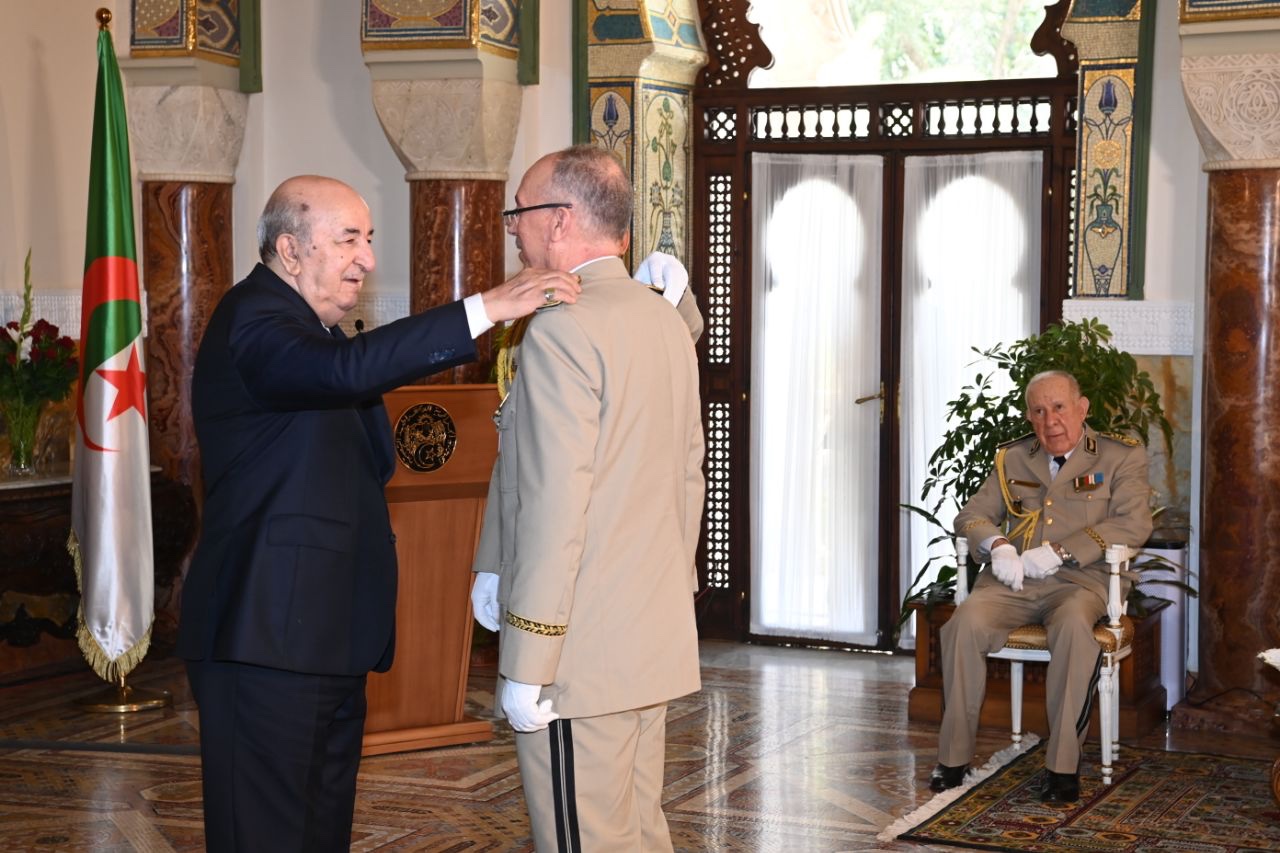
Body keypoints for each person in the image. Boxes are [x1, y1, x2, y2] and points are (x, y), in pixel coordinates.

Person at [177, 174, 582, 852]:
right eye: (348, 239)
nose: (367, 257)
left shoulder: (318, 331)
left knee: (318, 832)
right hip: (264, 641)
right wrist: (481, 310)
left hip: (322, 639)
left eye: (369, 239)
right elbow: (344, 376)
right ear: (291, 249)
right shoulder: (253, 318)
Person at [469, 144, 705, 852]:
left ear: (561, 220)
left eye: (520, 212)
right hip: (647, 635)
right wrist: (491, 560)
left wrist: (530, 658)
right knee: (636, 831)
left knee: (584, 840)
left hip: (580, 650)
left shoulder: (563, 329)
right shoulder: (663, 318)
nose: (513, 228)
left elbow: (555, 504)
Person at [930, 370, 1153, 804]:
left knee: (1073, 630)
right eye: (1038, 410)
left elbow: (1133, 523)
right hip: (1013, 582)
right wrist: (997, 546)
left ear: (1082, 407)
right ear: (1029, 417)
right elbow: (971, 515)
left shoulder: (1118, 457)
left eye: (1059, 407)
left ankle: (1062, 766)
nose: (1050, 420)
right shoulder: (1013, 458)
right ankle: (953, 758)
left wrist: (1061, 552)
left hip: (1080, 583)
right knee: (963, 625)